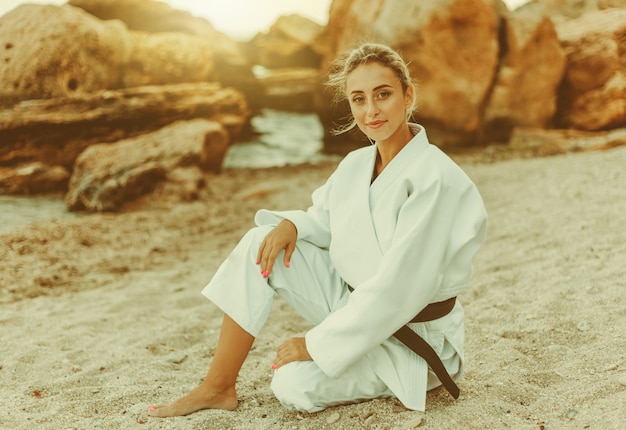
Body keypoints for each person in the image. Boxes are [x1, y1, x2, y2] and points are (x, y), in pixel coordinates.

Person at [147, 42, 487, 417]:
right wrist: (293, 223)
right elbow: (326, 219)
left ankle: (384, 368)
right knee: (262, 242)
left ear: (408, 96)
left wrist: (315, 344)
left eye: (383, 95)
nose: (371, 111)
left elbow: (400, 288)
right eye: (359, 99)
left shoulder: (434, 178)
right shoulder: (357, 164)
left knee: (291, 382)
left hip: (414, 339)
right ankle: (218, 386)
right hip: (357, 307)